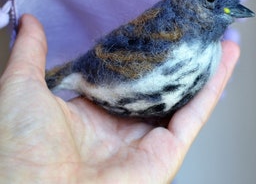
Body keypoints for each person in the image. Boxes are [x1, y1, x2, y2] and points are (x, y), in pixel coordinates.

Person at [0, 14, 239, 183]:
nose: (227, 11)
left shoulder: (210, 55)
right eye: (211, 0)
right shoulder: (171, 41)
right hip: (93, 77)